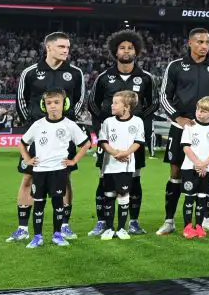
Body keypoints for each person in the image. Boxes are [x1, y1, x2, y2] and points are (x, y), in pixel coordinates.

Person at [8, 32, 86, 243]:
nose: (66, 51)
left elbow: (79, 100)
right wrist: (33, 125)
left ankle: (64, 226)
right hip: (38, 135)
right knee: (28, 177)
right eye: (61, 47)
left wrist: (66, 122)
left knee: (65, 178)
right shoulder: (30, 72)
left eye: (68, 47)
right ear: (48, 47)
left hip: (63, 135)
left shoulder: (75, 73)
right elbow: (21, 101)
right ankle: (23, 227)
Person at [157, 28, 209, 236]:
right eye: (200, 42)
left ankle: (206, 218)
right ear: (190, 43)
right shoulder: (176, 66)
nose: (204, 46)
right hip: (182, 128)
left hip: (208, 131)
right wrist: (177, 117)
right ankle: (169, 220)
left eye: (207, 42)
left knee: (208, 172)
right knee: (175, 173)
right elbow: (164, 96)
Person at [88, 29, 157, 236]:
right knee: (104, 180)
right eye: (122, 47)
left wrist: (134, 123)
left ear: (136, 51)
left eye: (130, 47)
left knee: (134, 179)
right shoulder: (104, 77)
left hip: (133, 141)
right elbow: (92, 103)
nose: (126, 51)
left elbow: (153, 104)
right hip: (110, 140)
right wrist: (106, 126)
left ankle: (133, 221)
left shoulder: (145, 77)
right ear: (115, 51)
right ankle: (102, 221)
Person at [18, 90, 91, 248]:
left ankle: (57, 235)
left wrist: (74, 160)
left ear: (64, 104)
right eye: (49, 103)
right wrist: (27, 159)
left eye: (56, 103)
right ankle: (37, 236)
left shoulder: (69, 125)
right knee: (38, 204)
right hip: (39, 171)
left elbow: (86, 144)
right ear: (44, 106)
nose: (53, 106)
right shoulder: (38, 125)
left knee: (58, 204)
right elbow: (22, 143)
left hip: (59, 171)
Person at [97, 90, 144, 240]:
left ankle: (122, 228)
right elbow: (103, 142)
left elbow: (138, 142)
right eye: (113, 102)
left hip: (126, 166)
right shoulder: (108, 122)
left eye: (116, 103)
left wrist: (127, 153)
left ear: (127, 107)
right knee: (109, 195)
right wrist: (116, 153)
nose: (112, 105)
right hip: (109, 165)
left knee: (123, 195)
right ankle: (110, 228)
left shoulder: (137, 122)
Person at [180, 96, 209, 238]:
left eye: (204, 111)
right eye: (198, 109)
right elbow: (186, 148)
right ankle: (187, 227)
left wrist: (205, 164)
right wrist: (198, 164)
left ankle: (198, 225)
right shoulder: (189, 126)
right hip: (189, 168)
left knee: (202, 198)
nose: (199, 113)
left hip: (206, 169)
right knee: (189, 198)